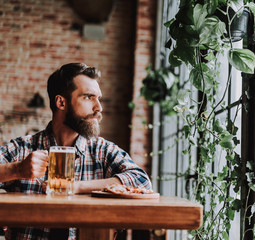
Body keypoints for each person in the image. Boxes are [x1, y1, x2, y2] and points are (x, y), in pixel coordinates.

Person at [0, 63, 151, 240]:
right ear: (61, 102)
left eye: (98, 98)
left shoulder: (102, 150)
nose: (99, 108)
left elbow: (141, 181)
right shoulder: (23, 148)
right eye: (88, 97)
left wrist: (76, 187)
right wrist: (16, 170)